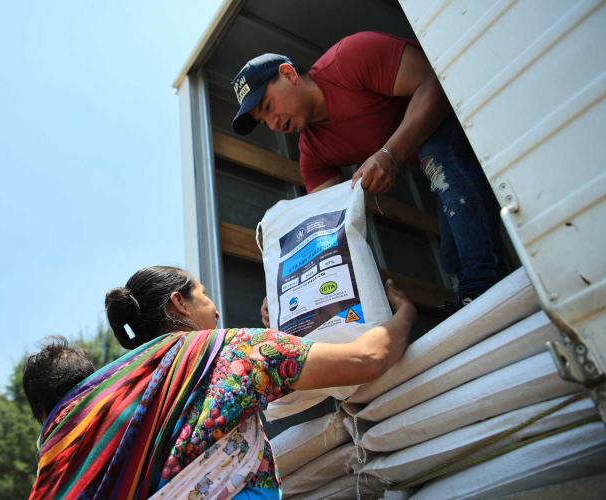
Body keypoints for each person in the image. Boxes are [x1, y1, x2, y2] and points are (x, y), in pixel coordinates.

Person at [26, 265, 416, 499]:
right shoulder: (233, 349)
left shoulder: (114, 398)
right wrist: (406, 312)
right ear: (180, 303)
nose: (214, 307)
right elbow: (368, 357)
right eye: (205, 294)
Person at [231, 32, 506, 306]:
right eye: (263, 122)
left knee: (436, 157)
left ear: (289, 74)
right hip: (444, 166)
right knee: (452, 256)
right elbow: (324, 229)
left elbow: (434, 82)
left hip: (474, 109)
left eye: (268, 107)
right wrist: (283, 292)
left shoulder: (350, 58)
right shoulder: (313, 153)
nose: (273, 123)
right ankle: (474, 295)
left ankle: (485, 288)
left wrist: (390, 154)